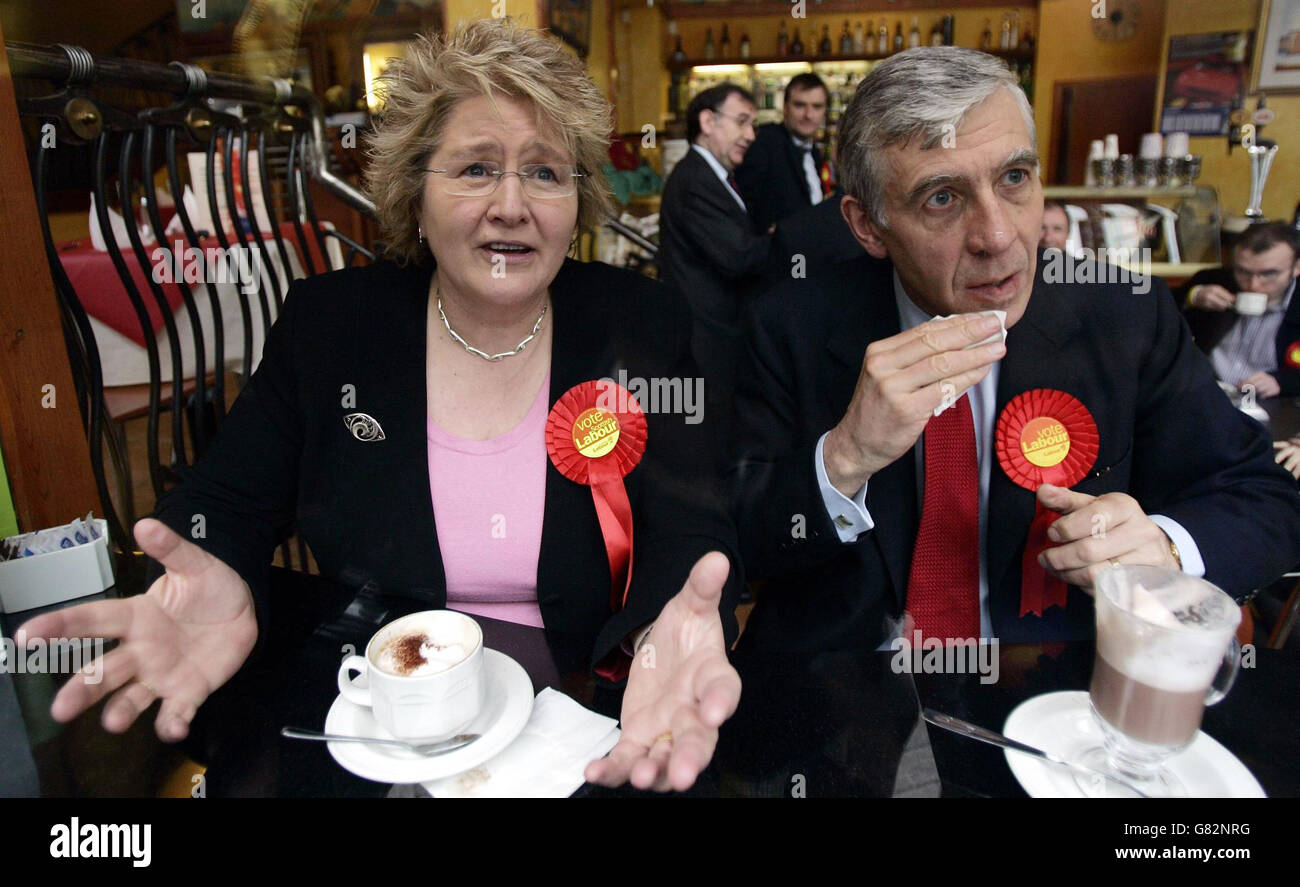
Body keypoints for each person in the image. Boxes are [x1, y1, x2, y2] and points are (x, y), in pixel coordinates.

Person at [20, 20, 742, 793]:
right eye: (473, 168)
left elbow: (691, 525)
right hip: (379, 712)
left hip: (581, 708)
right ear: (414, 195)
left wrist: (667, 630)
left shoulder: (642, 322)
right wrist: (220, 564)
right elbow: (228, 496)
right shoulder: (332, 328)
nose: (511, 205)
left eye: (544, 173)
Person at [731, 47, 1300, 651]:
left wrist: (1165, 545)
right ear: (868, 225)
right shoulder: (787, 325)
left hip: (1052, 681)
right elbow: (733, 535)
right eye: (942, 198)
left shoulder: (1125, 313)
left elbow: (1264, 498)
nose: (999, 237)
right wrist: (842, 459)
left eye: (1013, 178)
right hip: (846, 684)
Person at [658, 83, 773, 430]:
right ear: (708, 121)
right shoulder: (695, 179)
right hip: (707, 343)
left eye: (752, 124)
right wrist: (784, 239)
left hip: (719, 340)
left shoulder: (714, 176)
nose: (750, 135)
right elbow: (737, 257)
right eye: (741, 122)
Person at [1179, 223, 1300, 399]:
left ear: (1296, 268)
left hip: (1271, 403)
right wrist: (1193, 296)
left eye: (1269, 274)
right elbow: (1158, 310)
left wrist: (1282, 382)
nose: (1254, 285)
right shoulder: (1216, 281)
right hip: (1204, 394)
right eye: (1243, 272)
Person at [734, 73, 831, 234]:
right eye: (800, 105)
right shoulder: (764, 143)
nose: (808, 115)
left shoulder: (813, 152)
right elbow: (742, 206)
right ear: (785, 108)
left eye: (817, 106)